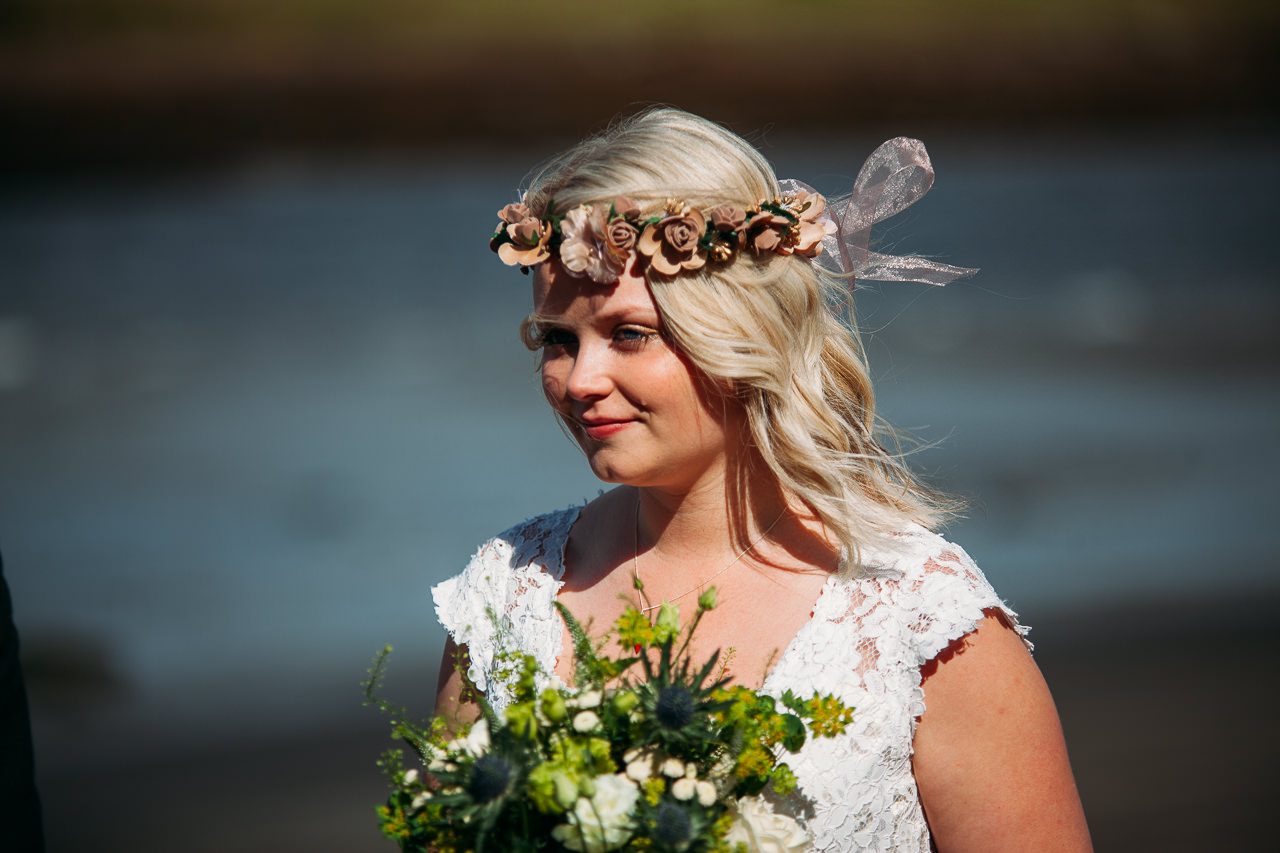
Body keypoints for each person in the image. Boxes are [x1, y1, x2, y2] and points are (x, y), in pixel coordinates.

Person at [432, 107, 1091, 851]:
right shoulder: (506, 591)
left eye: (629, 334)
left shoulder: (919, 617)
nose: (581, 379)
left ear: (739, 328)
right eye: (558, 339)